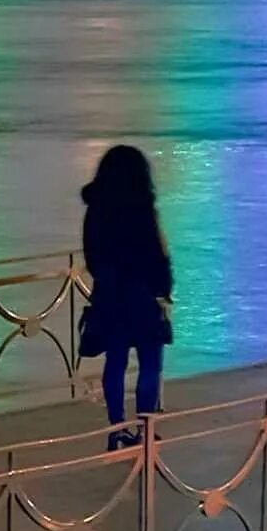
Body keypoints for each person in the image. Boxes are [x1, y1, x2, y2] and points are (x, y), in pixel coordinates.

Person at [78, 145, 172, 449]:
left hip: (109, 294)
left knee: (115, 361)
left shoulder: (96, 209)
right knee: (149, 362)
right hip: (142, 293)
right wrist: (163, 290)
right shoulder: (142, 207)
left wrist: (106, 278)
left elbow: (91, 254)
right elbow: (157, 254)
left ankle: (116, 427)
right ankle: (145, 427)